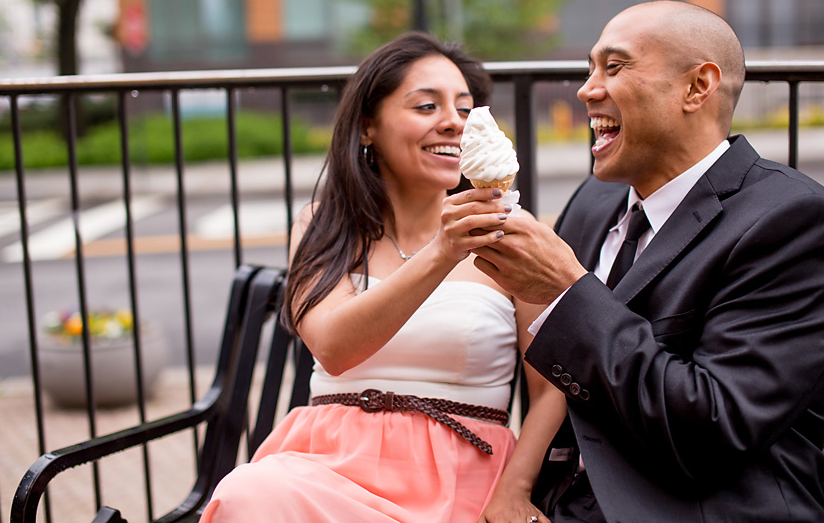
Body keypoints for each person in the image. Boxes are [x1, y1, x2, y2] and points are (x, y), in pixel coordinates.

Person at [472, 0, 824, 522]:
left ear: (698, 87)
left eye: (614, 66)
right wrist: (518, 492)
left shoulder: (795, 222)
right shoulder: (593, 203)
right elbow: (565, 394)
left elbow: (711, 430)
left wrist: (568, 290)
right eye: (589, 69)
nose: (587, 89)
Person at [201, 31, 566, 523]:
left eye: (464, 108)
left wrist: (515, 492)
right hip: (326, 465)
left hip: (461, 468)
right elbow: (333, 346)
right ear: (368, 126)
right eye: (425, 107)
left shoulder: (512, 232)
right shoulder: (323, 224)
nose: (452, 123)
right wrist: (442, 251)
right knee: (249, 495)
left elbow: (549, 388)